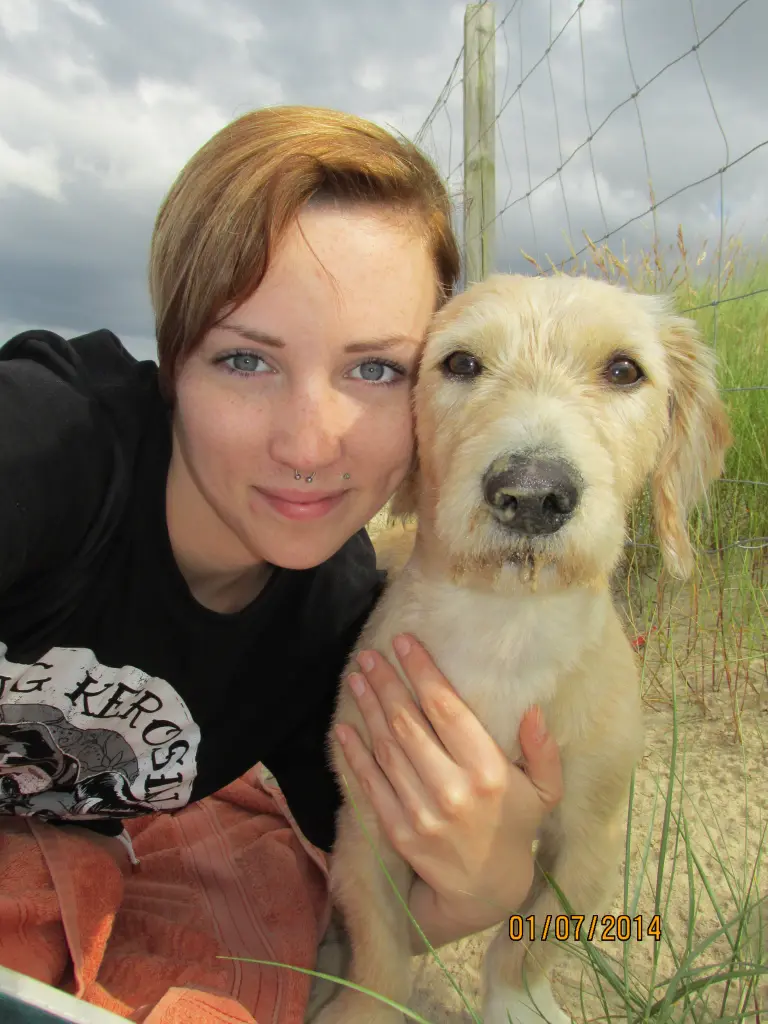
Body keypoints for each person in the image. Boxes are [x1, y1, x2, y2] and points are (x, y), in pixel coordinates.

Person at [0, 105, 563, 1022]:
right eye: (245, 361)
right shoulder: (50, 445)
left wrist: (493, 882)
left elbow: (386, 908)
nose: (308, 444)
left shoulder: (333, 631)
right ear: (172, 360)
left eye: (375, 370)